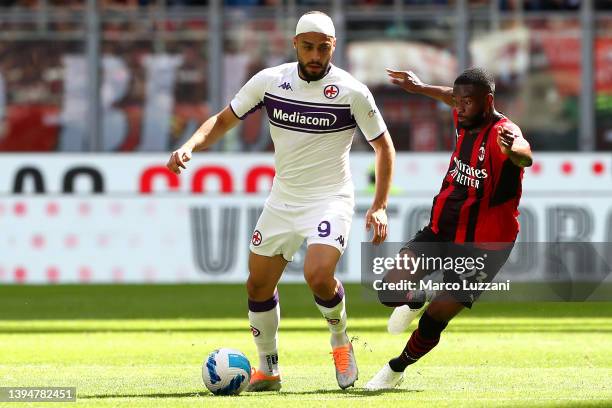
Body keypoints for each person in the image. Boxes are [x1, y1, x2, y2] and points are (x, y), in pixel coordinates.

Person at [166, 11, 395, 391]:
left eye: (323, 48)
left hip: (330, 198)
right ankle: (268, 369)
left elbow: (383, 147)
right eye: (308, 47)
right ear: (295, 45)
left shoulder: (353, 91)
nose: (316, 55)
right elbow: (223, 121)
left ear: (333, 47)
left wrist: (380, 203)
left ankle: (340, 341)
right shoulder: (271, 82)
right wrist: (189, 146)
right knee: (257, 286)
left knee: (318, 275)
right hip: (283, 199)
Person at [364, 67, 532, 390]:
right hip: (442, 230)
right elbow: (449, 96)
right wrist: (420, 87)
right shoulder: (462, 115)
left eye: (467, 102)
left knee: (435, 317)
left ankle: (396, 368)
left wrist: (515, 152)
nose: (460, 107)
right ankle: (417, 298)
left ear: (489, 101)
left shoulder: (504, 133)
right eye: (458, 102)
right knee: (389, 290)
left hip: (485, 246)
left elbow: (525, 152)